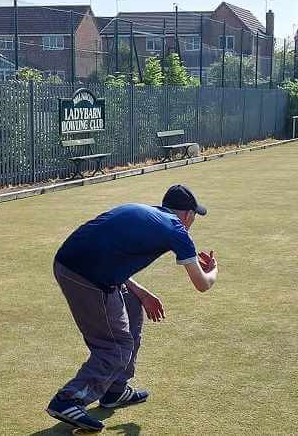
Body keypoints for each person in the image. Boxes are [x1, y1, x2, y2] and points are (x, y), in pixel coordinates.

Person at [46, 184, 218, 431]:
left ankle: (115, 390)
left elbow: (108, 253)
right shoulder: (177, 230)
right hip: (86, 276)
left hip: (71, 262)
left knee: (134, 304)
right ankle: (69, 399)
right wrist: (214, 270)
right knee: (116, 347)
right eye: (193, 216)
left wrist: (142, 292)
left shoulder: (145, 213)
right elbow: (202, 284)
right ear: (189, 215)